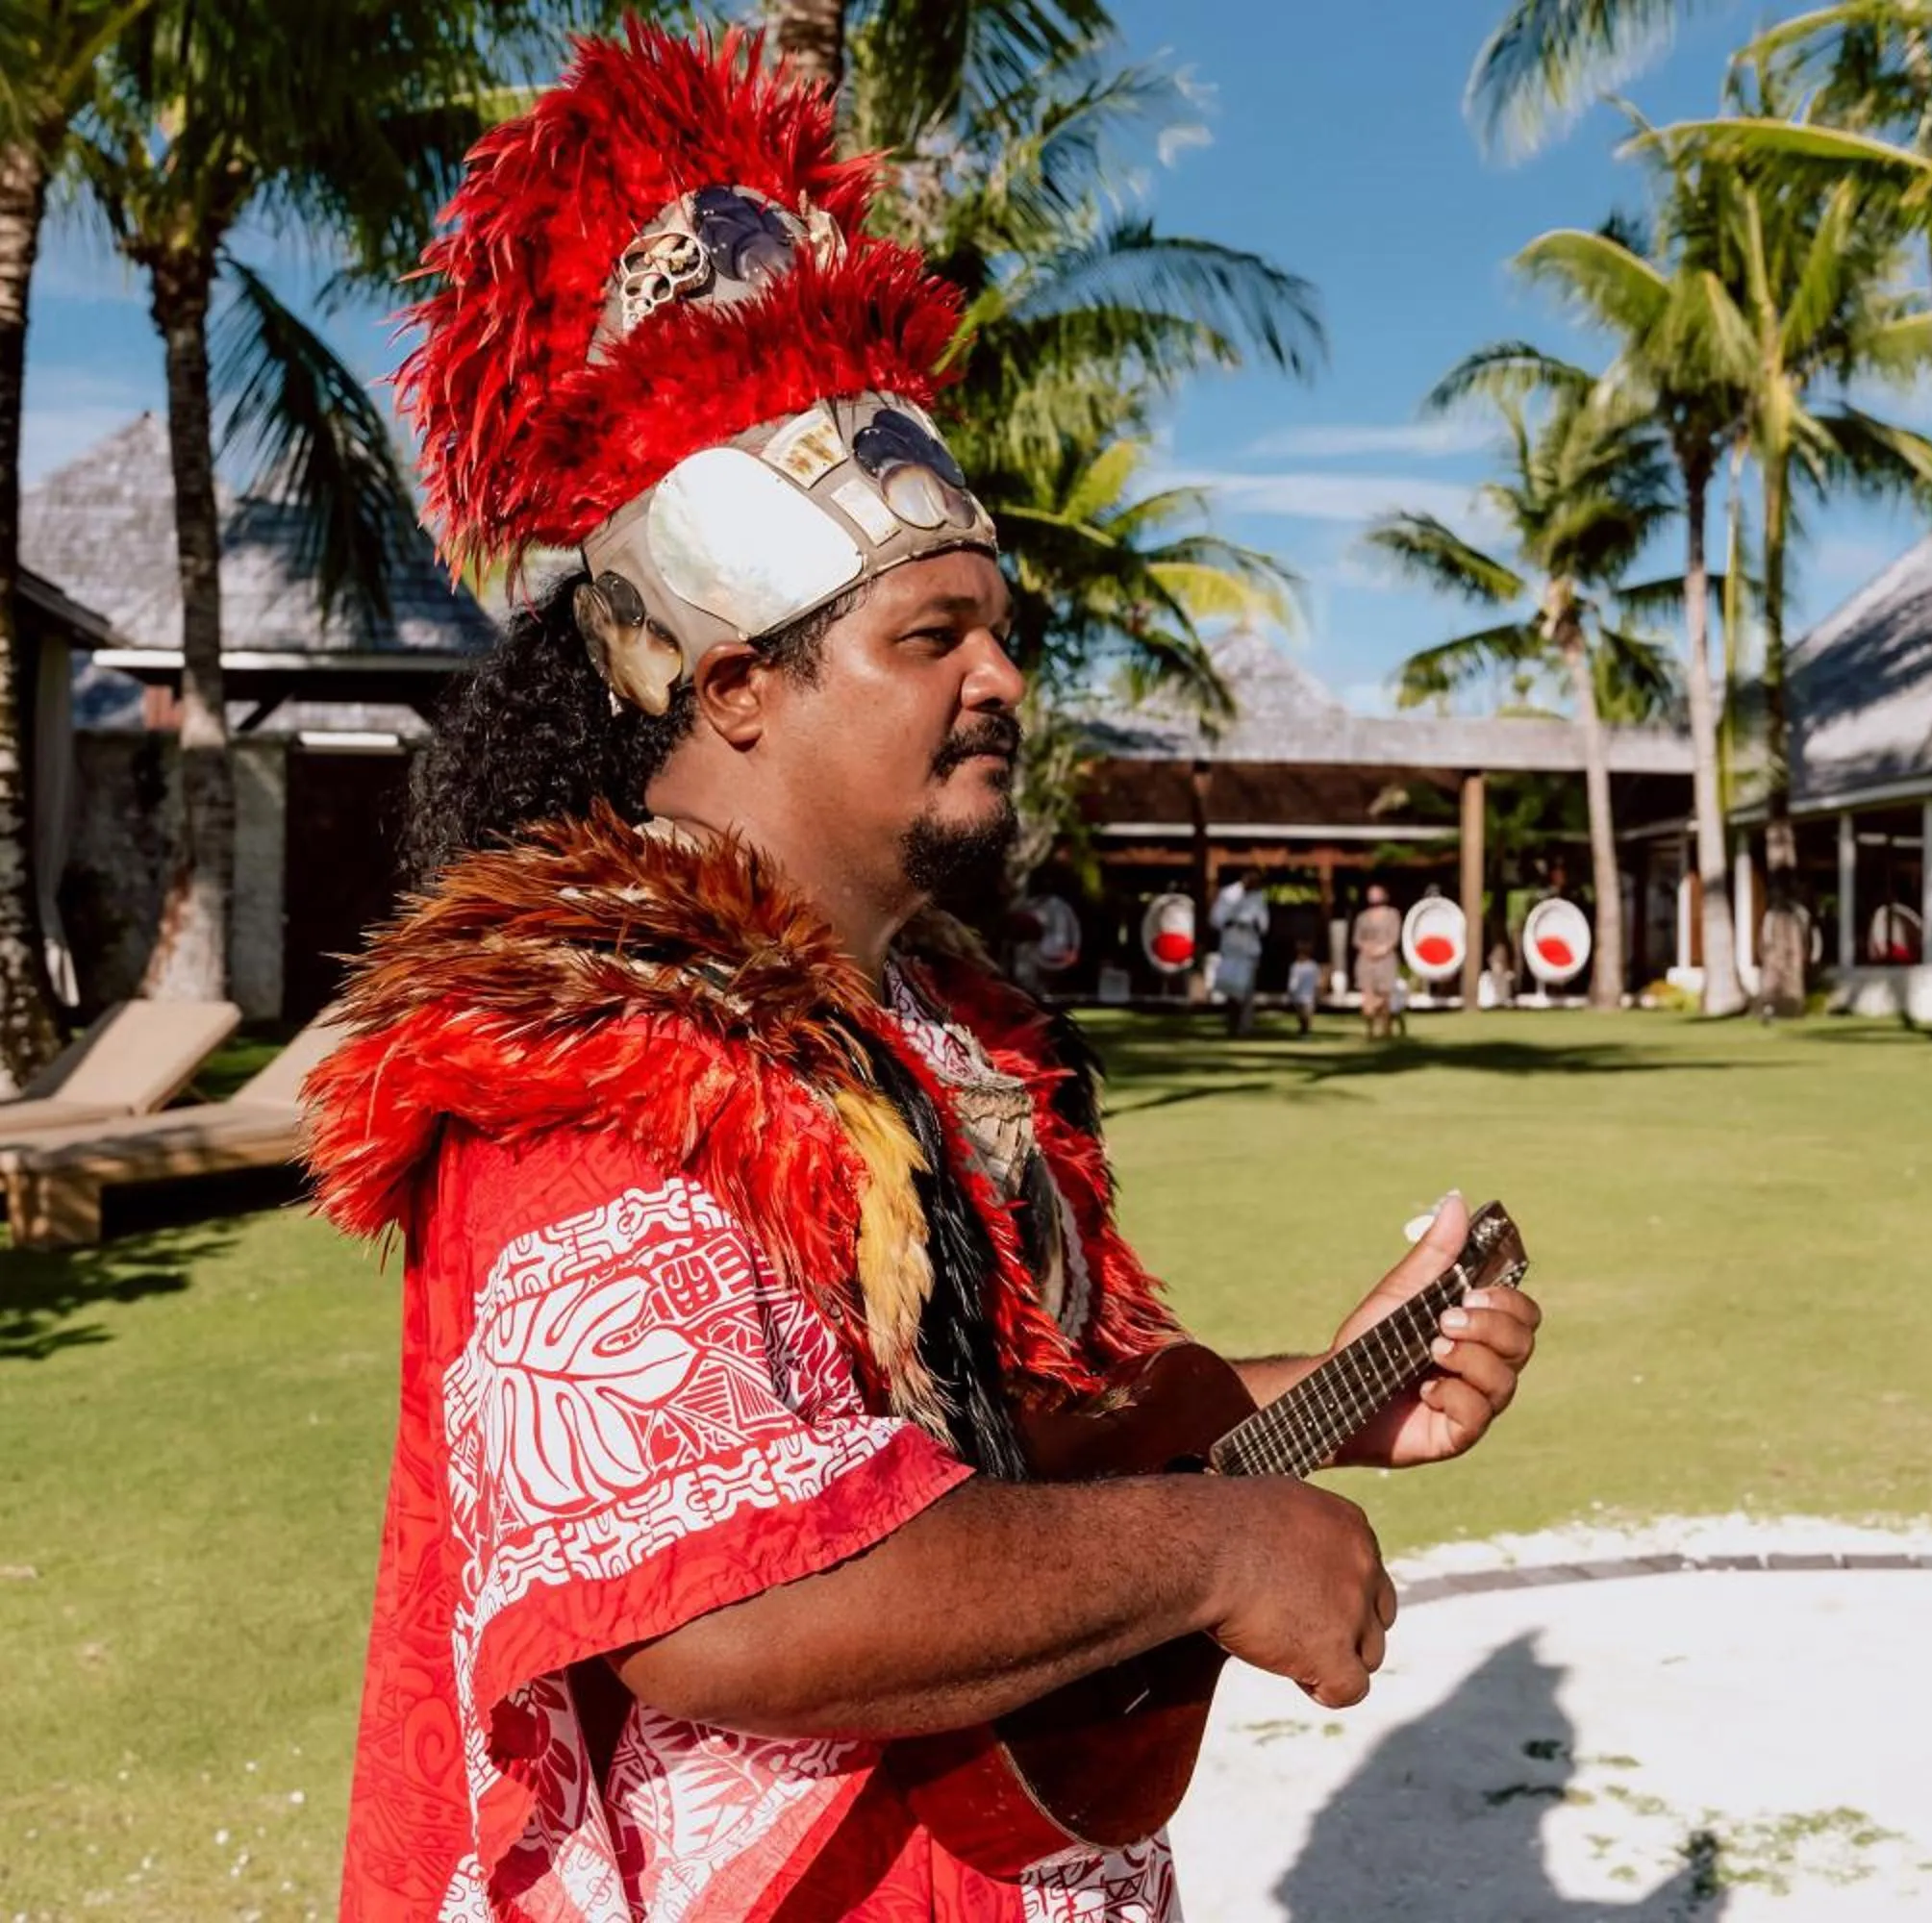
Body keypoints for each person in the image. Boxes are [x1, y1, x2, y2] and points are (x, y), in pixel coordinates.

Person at [303, 29, 1540, 1922]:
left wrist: (1341, 1389)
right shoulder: (600, 1040)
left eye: (1002, 629)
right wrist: (1217, 1551)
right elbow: (722, 1595)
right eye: (931, 632)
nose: (1004, 678)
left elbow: (1011, 1468)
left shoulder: (953, 1032)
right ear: (729, 683)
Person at [1209, 867, 1268, 1036]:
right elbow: (1216, 919)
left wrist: (1253, 923)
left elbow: (1264, 925)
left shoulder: (1259, 897)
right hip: (1231, 948)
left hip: (1249, 949)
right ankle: (1231, 1025)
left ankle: (1245, 1027)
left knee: (1247, 991)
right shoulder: (1228, 894)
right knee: (1231, 989)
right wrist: (1234, 921)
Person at [1351, 882, 1404, 1042]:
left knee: (1384, 996)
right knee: (1367, 996)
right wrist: (1368, 949)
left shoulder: (1392, 914)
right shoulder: (1362, 917)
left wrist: (1383, 949)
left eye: (1377, 892)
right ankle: (1370, 1031)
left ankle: (1386, 1029)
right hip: (1366, 960)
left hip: (1386, 959)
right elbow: (1356, 939)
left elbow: (1395, 937)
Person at [1286, 939, 1322, 1036]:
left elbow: (1317, 981)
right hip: (1298, 995)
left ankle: (1306, 1030)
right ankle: (1302, 1028)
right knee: (1300, 1014)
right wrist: (1291, 992)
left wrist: (1318, 992)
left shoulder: (1313, 966)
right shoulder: (1295, 966)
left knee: (1307, 1014)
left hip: (1309, 996)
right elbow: (1293, 981)